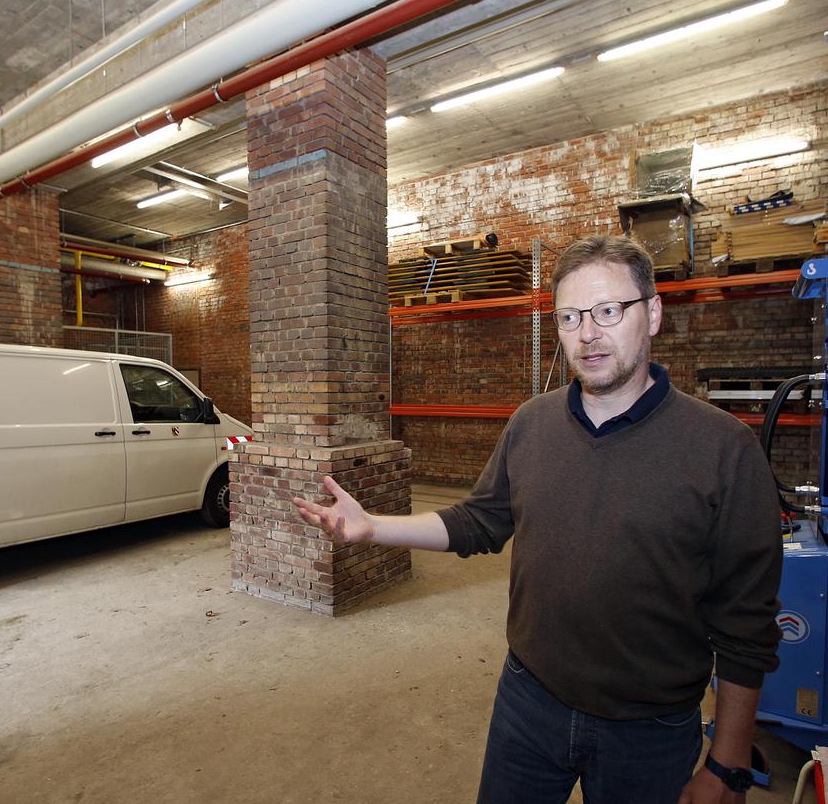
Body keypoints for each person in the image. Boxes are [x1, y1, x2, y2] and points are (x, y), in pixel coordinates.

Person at [293, 235, 783, 804]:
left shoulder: (724, 448)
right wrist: (373, 527)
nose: (588, 333)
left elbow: (747, 624)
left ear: (651, 314)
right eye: (571, 316)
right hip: (529, 701)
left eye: (608, 311)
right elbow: (479, 522)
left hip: (650, 727)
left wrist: (727, 765)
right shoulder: (531, 424)